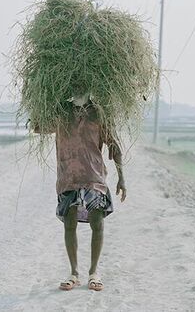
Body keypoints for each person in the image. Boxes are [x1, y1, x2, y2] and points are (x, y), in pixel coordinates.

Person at [36, 91, 126, 292]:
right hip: (68, 177)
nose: (78, 88)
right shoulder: (61, 111)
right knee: (69, 223)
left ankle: (94, 272)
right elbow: (38, 126)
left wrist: (122, 178)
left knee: (97, 222)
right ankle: (74, 273)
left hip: (94, 177)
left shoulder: (99, 113)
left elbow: (114, 146)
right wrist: (39, 100)